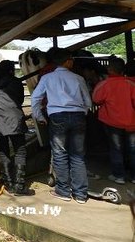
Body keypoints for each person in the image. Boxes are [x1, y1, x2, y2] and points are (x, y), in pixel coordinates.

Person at [31, 48, 92, 204]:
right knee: (78, 156)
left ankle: (63, 191)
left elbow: (35, 98)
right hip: (78, 117)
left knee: (60, 154)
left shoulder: (47, 78)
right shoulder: (78, 78)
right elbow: (88, 101)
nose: (72, 61)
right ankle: (80, 194)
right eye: (71, 59)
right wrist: (83, 112)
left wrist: (39, 116)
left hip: (57, 117)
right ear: (66, 61)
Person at [92, 56, 135, 184]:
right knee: (133, 149)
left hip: (111, 122)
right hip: (132, 122)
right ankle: (134, 176)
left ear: (109, 70)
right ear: (123, 70)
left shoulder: (104, 84)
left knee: (116, 148)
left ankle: (119, 176)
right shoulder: (131, 84)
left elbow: (96, 100)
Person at [0, 60, 32, 196]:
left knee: (3, 151)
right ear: (11, 70)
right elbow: (20, 99)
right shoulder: (16, 82)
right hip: (15, 119)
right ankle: (19, 185)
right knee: (20, 151)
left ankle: (8, 184)